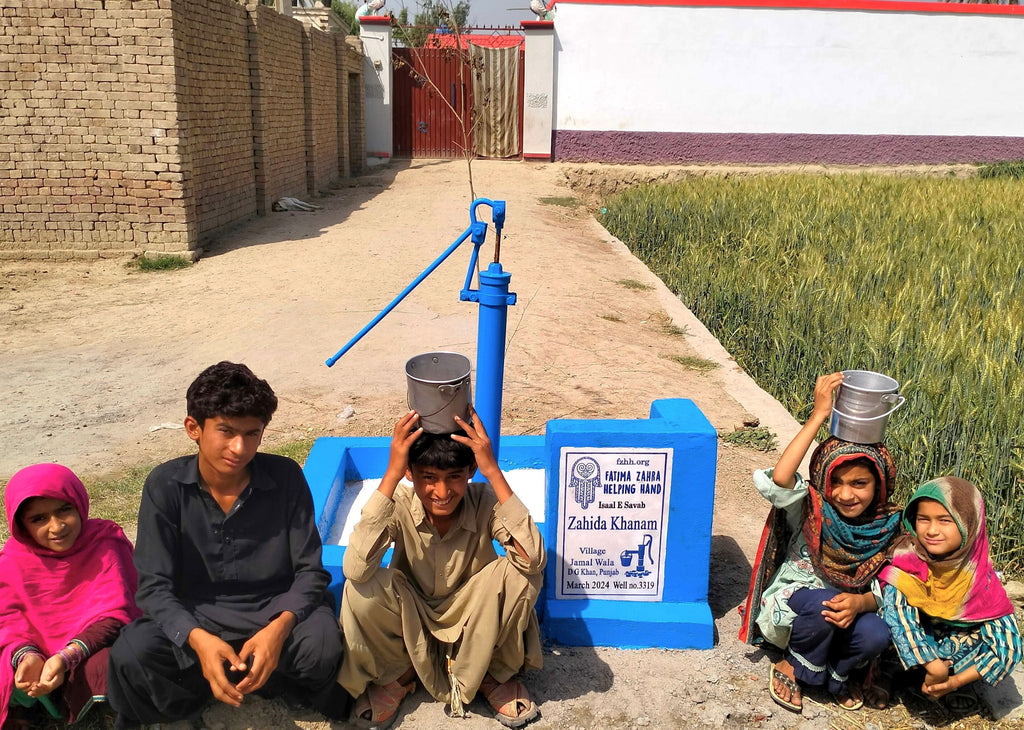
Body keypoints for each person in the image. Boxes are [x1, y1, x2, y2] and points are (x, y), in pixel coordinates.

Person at [106, 361, 350, 728]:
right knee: (133, 652)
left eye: (253, 434)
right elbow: (154, 586)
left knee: (321, 643)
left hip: (272, 609)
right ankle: (183, 707)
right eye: (226, 431)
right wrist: (198, 639)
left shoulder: (285, 478)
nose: (239, 447)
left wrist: (277, 630)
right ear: (194, 428)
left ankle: (271, 683)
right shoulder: (165, 486)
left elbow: (309, 572)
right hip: (197, 615)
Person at [338, 408, 545, 728]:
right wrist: (391, 474)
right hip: (414, 619)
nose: (442, 492)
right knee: (361, 585)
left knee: (523, 576)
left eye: (454, 477)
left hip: (475, 618)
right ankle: (400, 673)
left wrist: (493, 472)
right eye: (428, 477)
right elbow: (355, 568)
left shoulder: (485, 499)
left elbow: (532, 558)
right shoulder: (399, 504)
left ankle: (491, 673)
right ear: (410, 473)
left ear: (470, 471)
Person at [742, 372, 902, 714]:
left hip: (846, 614)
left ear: (880, 486)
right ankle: (791, 665)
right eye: (837, 482)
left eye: (860, 483)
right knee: (825, 602)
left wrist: (862, 603)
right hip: (798, 607)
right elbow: (781, 480)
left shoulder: (889, 526)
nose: (846, 494)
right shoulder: (813, 507)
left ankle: (835, 674)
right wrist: (818, 416)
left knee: (876, 632)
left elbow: (893, 587)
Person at [1, 463, 140, 728]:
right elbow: (8, 618)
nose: (56, 527)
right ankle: (27, 706)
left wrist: (66, 658)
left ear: (79, 504)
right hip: (38, 657)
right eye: (39, 519)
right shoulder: (14, 559)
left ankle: (65, 700)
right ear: (21, 525)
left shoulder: (104, 541)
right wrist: (26, 656)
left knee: (115, 659)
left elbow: (117, 613)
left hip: (87, 649)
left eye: (64, 509)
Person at [879, 476, 1022, 706]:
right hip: (910, 652)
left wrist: (954, 680)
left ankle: (953, 687)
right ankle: (887, 674)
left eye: (945, 520)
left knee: (986, 637)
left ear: (969, 524)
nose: (932, 530)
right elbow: (898, 614)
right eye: (923, 519)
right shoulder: (908, 559)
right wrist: (931, 664)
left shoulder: (979, 577)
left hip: (951, 663)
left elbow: (1010, 647)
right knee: (885, 615)